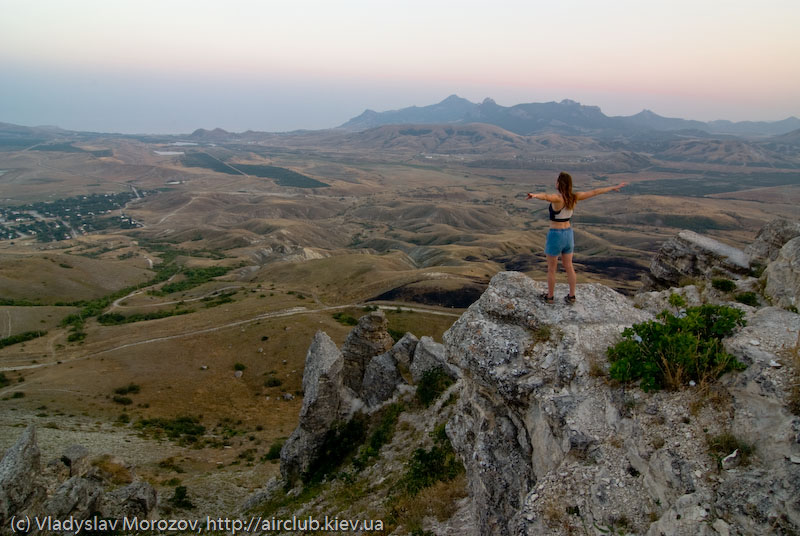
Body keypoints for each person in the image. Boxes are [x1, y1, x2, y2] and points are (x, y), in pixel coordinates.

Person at [526, 172, 627, 304]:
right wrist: (612, 187)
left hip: (555, 234)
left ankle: (550, 297)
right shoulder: (574, 197)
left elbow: (546, 197)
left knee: (552, 269)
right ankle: (572, 296)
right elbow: (595, 192)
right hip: (568, 234)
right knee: (569, 266)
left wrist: (535, 195)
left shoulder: (558, 199)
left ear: (559, 184)